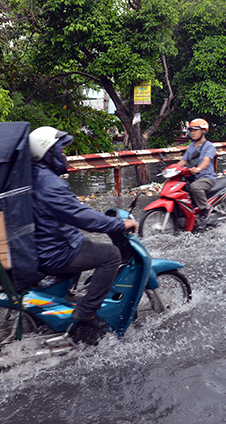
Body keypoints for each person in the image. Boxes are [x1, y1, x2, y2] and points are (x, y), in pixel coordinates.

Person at [29, 126, 139, 330]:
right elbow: (82, 217)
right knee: (111, 254)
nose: (64, 157)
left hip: (40, 245)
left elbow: (71, 211)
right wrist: (119, 224)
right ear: (47, 152)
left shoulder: (33, 176)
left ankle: (67, 296)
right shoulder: (49, 183)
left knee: (82, 242)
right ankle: (87, 311)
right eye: (61, 151)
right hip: (52, 252)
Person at [176, 119, 216, 220]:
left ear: (203, 131)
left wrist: (198, 169)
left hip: (207, 178)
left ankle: (206, 208)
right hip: (194, 177)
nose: (192, 133)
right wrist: (173, 170)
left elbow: (206, 161)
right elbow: (183, 161)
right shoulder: (191, 146)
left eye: (195, 130)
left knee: (195, 187)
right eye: (191, 130)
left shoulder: (209, 146)